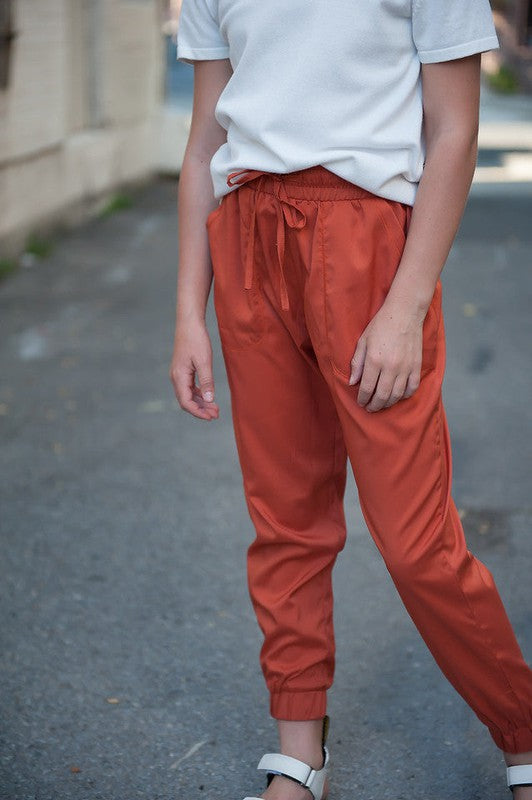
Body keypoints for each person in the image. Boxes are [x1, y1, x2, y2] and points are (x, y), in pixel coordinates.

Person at [169, 1, 532, 797]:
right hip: (250, 243)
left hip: (369, 248)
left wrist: (405, 305)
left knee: (414, 540)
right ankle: (300, 752)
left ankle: (524, 733)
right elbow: (203, 146)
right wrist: (187, 314)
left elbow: (455, 131)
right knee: (285, 520)